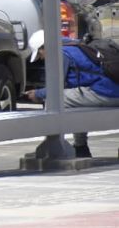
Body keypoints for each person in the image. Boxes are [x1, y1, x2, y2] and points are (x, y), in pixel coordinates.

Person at [25, 29, 119, 158]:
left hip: (105, 92)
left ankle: (56, 146)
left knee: (54, 100)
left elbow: (55, 89)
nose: (41, 58)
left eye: (40, 54)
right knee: (73, 98)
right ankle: (80, 147)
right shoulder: (75, 45)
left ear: (44, 47)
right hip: (113, 91)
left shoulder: (61, 54)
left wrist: (38, 94)